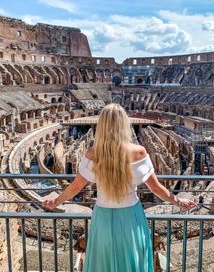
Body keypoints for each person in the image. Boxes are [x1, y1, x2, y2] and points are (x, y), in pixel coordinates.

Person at [42, 103, 197, 272]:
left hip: (102, 217)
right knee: (132, 261)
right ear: (124, 125)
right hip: (131, 215)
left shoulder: (93, 153)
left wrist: (56, 201)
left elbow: (76, 187)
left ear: (101, 126)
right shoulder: (139, 152)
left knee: (103, 262)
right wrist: (177, 201)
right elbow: (156, 188)